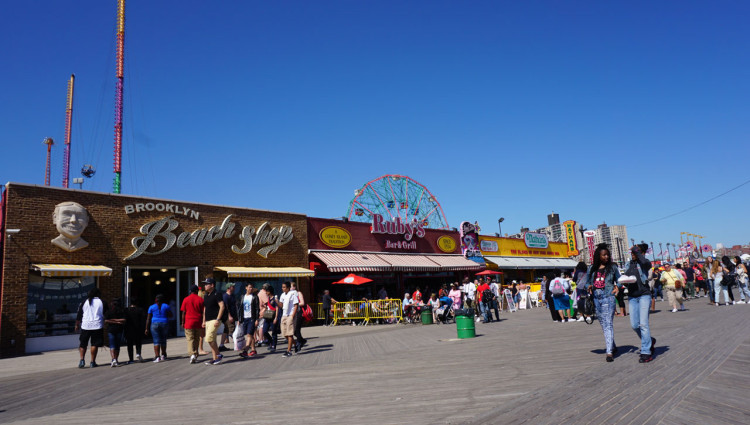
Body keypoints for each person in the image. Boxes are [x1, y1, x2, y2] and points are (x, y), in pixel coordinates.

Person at [584, 244, 621, 362]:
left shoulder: (612, 267)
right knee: (602, 323)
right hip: (596, 298)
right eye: (604, 255)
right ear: (598, 256)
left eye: (607, 255)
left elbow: (619, 279)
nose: (606, 257)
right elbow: (586, 282)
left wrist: (617, 287)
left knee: (608, 323)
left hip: (608, 297)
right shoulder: (591, 268)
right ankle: (613, 346)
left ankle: (609, 352)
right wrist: (588, 286)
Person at [623, 244, 656, 363]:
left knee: (643, 324)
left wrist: (637, 251)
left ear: (640, 253)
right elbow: (625, 277)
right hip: (632, 297)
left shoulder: (644, 262)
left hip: (644, 295)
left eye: (634, 253)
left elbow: (645, 263)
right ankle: (649, 341)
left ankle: (646, 352)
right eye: (631, 253)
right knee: (634, 325)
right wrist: (622, 282)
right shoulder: (629, 264)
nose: (632, 255)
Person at [76, 288, 106, 368]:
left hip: (85, 325)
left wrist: (77, 324)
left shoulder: (84, 302)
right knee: (94, 344)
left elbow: (79, 314)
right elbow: (106, 314)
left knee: (83, 344)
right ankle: (92, 362)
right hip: (97, 325)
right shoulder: (102, 302)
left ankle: (82, 360)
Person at [202, 277, 225, 365]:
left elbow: (222, 306)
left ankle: (218, 355)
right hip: (207, 320)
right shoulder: (206, 295)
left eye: (206, 284)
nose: (205, 286)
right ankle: (214, 358)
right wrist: (203, 321)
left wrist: (218, 319)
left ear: (212, 285)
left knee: (209, 338)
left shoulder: (217, 294)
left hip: (214, 320)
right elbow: (205, 309)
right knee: (213, 340)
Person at [180, 284, 204, 364]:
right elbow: (203, 312)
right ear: (197, 291)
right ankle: (195, 354)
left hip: (189, 322)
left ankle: (192, 354)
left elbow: (183, 312)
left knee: (190, 339)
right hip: (198, 321)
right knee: (197, 339)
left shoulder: (186, 299)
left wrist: (182, 322)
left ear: (190, 291)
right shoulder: (200, 299)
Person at [145, 294, 172, 362]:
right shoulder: (166, 306)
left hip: (154, 324)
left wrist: (146, 328)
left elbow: (148, 318)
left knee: (156, 341)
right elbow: (171, 315)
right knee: (163, 340)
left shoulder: (151, 307)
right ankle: (163, 355)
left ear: (155, 300)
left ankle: (157, 357)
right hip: (164, 323)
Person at [238, 283, 259, 359]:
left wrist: (257, 319)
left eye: (252, 287)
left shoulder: (254, 297)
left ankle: (245, 351)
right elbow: (240, 308)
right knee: (250, 334)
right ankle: (253, 350)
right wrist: (239, 319)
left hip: (251, 318)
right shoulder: (242, 297)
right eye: (249, 287)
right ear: (246, 288)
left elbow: (257, 309)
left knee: (249, 335)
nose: (251, 289)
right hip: (244, 318)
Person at [104, 298, 126, 367]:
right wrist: (117, 321)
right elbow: (124, 320)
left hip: (111, 330)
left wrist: (113, 320)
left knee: (112, 345)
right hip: (119, 329)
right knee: (117, 346)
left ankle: (113, 359)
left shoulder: (109, 311)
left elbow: (106, 320)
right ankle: (116, 359)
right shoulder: (122, 311)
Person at [278, 281, 298, 358]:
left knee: (289, 334)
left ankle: (288, 351)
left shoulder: (292, 294)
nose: (282, 288)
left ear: (288, 288)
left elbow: (296, 305)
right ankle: (296, 344)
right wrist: (277, 302)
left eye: (284, 287)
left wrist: (292, 315)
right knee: (284, 333)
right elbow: (281, 305)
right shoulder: (282, 295)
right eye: (282, 287)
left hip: (290, 315)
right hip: (284, 315)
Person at [124, 298, 146, 364]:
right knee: (138, 342)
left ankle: (131, 359)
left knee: (129, 344)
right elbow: (143, 319)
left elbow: (124, 319)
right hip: (138, 328)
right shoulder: (140, 310)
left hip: (128, 329)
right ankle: (138, 353)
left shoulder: (126, 310)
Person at [219, 282, 237, 352]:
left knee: (226, 330)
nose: (234, 288)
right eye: (233, 286)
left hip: (233, 315)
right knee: (232, 330)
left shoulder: (232, 295)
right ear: (229, 288)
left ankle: (221, 345)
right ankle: (238, 344)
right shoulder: (225, 296)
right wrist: (229, 316)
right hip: (227, 316)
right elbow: (226, 307)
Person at [291, 282, 307, 352]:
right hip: (293, 313)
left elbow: (302, 303)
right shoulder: (290, 294)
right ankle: (302, 340)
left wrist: (295, 304)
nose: (291, 288)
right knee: (294, 331)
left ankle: (299, 343)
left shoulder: (298, 293)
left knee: (297, 329)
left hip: (299, 313)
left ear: (294, 287)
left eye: (291, 287)